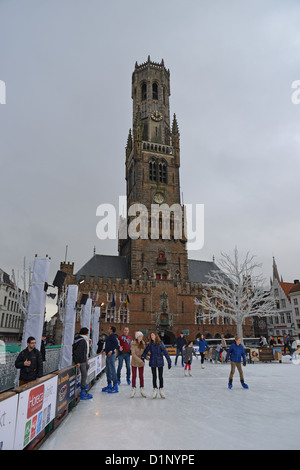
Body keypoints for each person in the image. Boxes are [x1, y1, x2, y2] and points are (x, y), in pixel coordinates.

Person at [141, 332, 172, 399]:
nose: (152, 336)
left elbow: (165, 352)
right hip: (153, 361)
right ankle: (155, 389)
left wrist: (169, 361)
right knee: (154, 376)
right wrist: (143, 356)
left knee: (160, 376)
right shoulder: (150, 344)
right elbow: (145, 351)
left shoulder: (160, 344)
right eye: (151, 335)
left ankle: (161, 389)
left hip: (160, 361)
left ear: (156, 336)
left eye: (153, 335)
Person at [72, 327, 93, 400]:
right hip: (81, 361)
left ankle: (83, 390)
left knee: (83, 375)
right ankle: (83, 392)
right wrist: (78, 361)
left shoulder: (77, 339)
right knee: (84, 375)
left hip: (82, 360)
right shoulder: (83, 341)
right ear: (86, 333)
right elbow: (79, 351)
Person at [102, 326, 119, 394]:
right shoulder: (110, 336)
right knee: (108, 370)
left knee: (112, 369)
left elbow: (115, 344)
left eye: (109, 328)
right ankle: (109, 384)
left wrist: (111, 351)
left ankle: (115, 385)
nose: (107, 329)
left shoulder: (112, 336)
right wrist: (104, 350)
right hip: (108, 355)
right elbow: (109, 345)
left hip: (111, 355)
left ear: (111, 330)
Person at [130, 331, 146, 398]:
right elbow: (133, 354)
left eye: (141, 336)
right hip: (134, 361)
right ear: (137, 337)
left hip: (141, 362)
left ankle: (142, 388)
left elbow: (144, 352)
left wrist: (146, 357)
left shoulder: (143, 343)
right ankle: (133, 388)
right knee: (134, 376)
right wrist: (140, 360)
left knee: (141, 376)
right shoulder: (133, 344)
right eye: (139, 336)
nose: (141, 337)